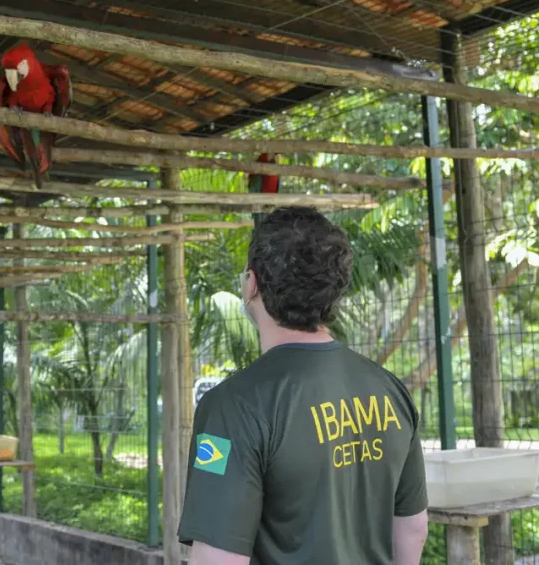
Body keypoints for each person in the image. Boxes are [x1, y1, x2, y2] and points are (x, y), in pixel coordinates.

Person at [178, 206, 428, 565]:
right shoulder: (390, 390)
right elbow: (413, 529)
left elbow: (217, 560)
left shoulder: (231, 408)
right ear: (334, 289)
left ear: (252, 284)